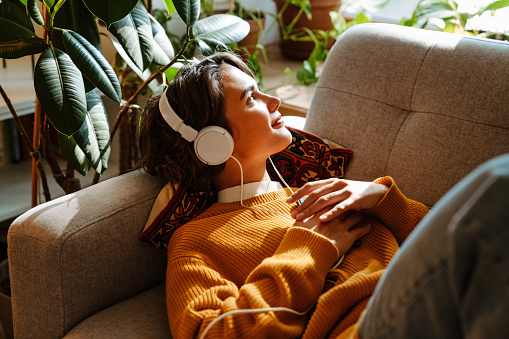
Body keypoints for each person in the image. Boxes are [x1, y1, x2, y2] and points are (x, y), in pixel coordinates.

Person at [137, 52, 508, 339]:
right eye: (251, 98)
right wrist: (310, 248)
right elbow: (214, 332)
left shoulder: (320, 192)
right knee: (498, 182)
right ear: (214, 142)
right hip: (368, 328)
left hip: (433, 305)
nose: (274, 101)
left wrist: (380, 196)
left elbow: (454, 246)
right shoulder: (195, 242)